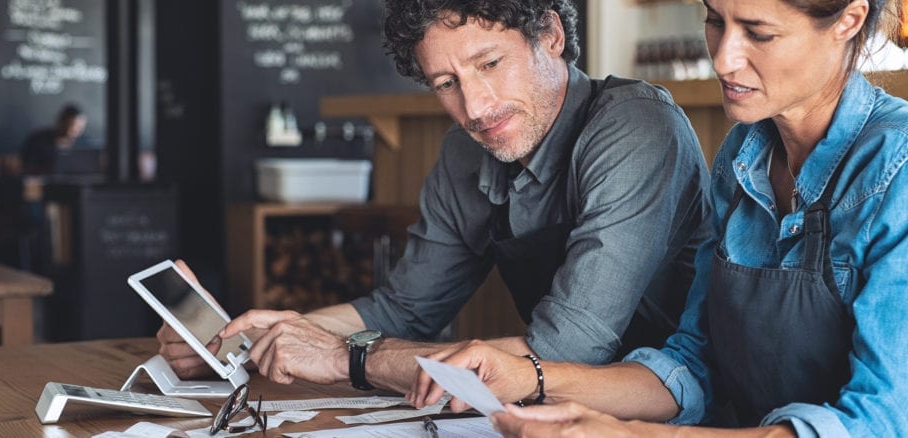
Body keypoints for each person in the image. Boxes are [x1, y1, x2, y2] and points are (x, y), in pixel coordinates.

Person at [411, 0, 908, 436]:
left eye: (758, 32)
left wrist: (632, 435)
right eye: (715, 20)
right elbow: (692, 364)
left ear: (848, 20)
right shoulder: (743, 154)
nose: (722, 56)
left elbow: (882, 424)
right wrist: (529, 376)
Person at [158, 0, 713, 394]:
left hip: (675, 411)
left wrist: (346, 358)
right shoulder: (465, 152)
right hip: (547, 412)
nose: (474, 106)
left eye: (489, 64)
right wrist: (251, 343)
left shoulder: (637, 126)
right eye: (446, 83)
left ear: (550, 34)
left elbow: (568, 349)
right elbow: (404, 309)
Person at [21, 104, 88, 175]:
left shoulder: (85, 144)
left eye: (80, 127)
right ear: (62, 121)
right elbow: (26, 166)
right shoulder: (38, 139)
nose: (76, 130)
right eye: (72, 125)